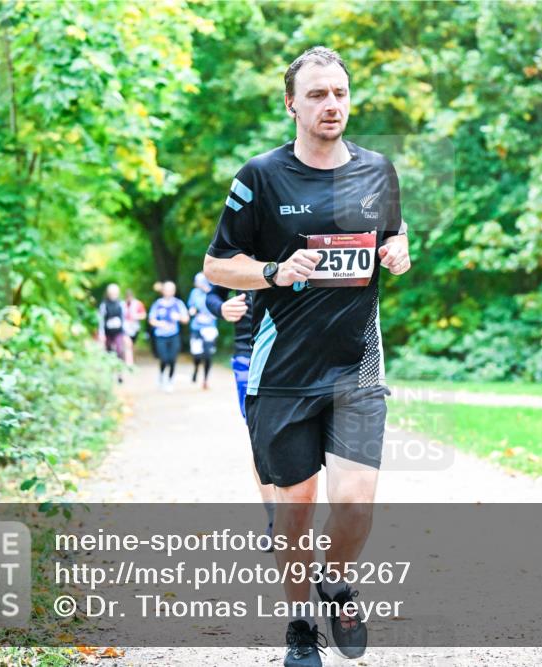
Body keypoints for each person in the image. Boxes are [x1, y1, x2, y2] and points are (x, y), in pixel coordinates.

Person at [203, 46, 410, 667]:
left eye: (340, 94)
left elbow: (391, 234)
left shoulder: (379, 171)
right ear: (291, 103)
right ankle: (300, 629)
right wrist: (272, 269)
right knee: (292, 518)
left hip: (356, 370)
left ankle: (338, 581)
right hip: (283, 375)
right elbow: (217, 264)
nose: (331, 105)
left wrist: (399, 250)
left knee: (354, 507)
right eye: (317, 94)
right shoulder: (260, 177)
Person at [205, 286, 277, 549]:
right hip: (248, 356)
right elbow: (212, 294)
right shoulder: (238, 248)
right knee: (260, 439)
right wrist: (222, 308)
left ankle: (296, 515)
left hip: (295, 353)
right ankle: (274, 519)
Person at [147, 280, 189, 392]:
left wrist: (178, 317)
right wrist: (160, 324)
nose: (169, 292)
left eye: (172, 290)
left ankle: (170, 381)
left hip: (174, 335)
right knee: (164, 359)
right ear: (163, 291)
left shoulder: (178, 304)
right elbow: (151, 320)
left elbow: (186, 319)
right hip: (161, 336)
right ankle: (161, 376)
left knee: (172, 359)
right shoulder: (158, 304)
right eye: (167, 290)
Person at [187, 272, 219, 389]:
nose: (197, 284)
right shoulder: (194, 293)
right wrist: (192, 310)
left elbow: (218, 308)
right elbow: (191, 306)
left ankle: (205, 379)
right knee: (197, 355)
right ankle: (196, 369)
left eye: (199, 282)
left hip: (209, 327)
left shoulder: (213, 292)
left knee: (208, 355)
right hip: (196, 327)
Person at [97, 283, 127, 382]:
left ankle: (120, 373)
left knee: (119, 350)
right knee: (108, 352)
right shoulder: (104, 304)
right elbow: (101, 320)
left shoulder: (121, 304)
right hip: (107, 332)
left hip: (119, 331)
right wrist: (101, 334)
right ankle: (109, 373)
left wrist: (126, 333)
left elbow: (124, 318)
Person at [122, 288, 146, 366]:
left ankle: (132, 359)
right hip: (125, 328)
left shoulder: (138, 304)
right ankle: (128, 361)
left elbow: (143, 315)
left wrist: (135, 316)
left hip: (134, 328)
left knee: (133, 344)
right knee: (127, 343)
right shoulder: (122, 304)